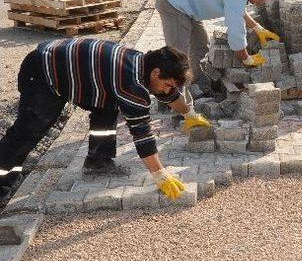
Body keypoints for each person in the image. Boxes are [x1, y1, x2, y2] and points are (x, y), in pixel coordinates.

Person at [0, 40, 209, 201]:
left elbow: (166, 93)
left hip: (74, 68)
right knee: (29, 130)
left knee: (107, 107)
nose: (169, 90)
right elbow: (142, 135)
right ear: (156, 73)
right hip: (44, 71)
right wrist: (160, 175)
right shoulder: (131, 84)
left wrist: (189, 115)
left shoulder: (144, 64)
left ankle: (98, 160)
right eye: (168, 84)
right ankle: (3, 181)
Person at [156, 0, 281, 100]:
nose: (261, 3)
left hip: (188, 2)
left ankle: (196, 87)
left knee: (201, 47)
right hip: (173, 1)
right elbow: (236, 30)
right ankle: (175, 103)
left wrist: (257, 28)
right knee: (178, 56)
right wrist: (246, 58)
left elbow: (236, 9)